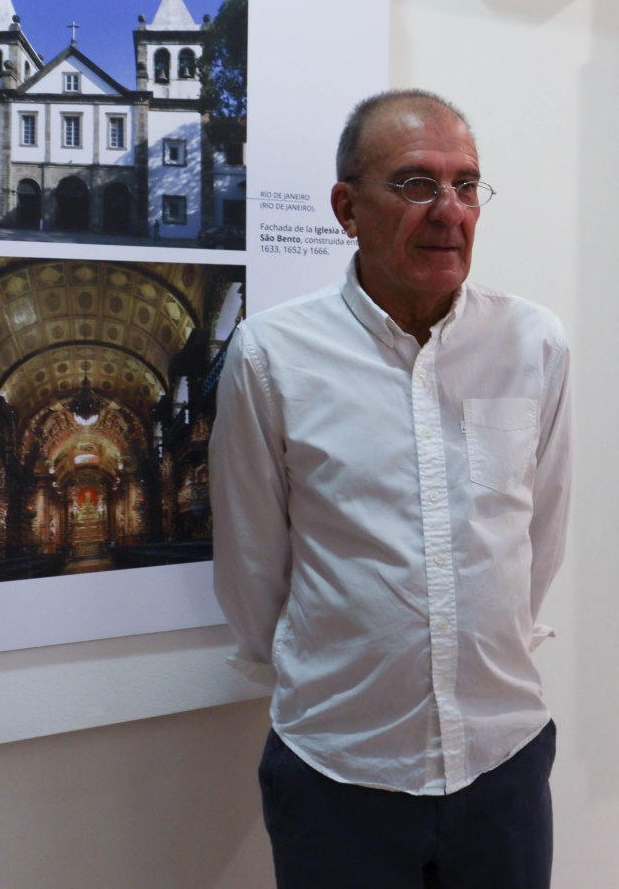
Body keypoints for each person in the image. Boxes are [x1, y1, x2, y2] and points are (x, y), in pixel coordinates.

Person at [210, 89, 571, 889]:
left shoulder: (533, 342)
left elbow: (539, 534)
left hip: (502, 760)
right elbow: (249, 563)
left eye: (466, 185)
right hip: (339, 772)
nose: (449, 211)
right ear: (347, 208)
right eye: (416, 184)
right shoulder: (273, 355)